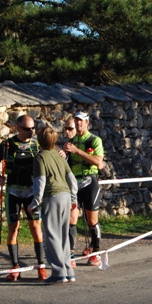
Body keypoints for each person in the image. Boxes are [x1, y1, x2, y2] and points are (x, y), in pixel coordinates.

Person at [0, 115, 47, 281]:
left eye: (32, 129)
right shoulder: (7, 144)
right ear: (18, 128)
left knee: (35, 227)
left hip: (31, 192)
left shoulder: (37, 144)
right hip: (13, 191)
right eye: (27, 129)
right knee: (13, 228)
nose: (31, 132)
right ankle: (15, 267)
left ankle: (41, 267)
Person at [28, 126, 78, 284]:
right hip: (65, 197)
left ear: (39, 140)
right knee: (64, 236)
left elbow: (40, 182)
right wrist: (73, 198)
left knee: (52, 236)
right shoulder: (59, 156)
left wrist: (35, 202)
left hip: (52, 197)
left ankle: (58, 272)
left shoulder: (40, 157)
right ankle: (69, 271)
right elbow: (72, 180)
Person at [62, 110, 104, 266]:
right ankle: (71, 255)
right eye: (76, 120)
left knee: (92, 220)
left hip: (89, 182)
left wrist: (77, 151)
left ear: (87, 123)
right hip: (73, 183)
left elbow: (99, 162)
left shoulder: (94, 140)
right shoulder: (70, 141)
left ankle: (96, 252)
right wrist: (62, 153)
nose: (78, 123)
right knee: (71, 219)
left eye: (81, 120)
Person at [58, 117, 79, 268]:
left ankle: (73, 253)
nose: (66, 131)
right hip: (63, 188)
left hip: (79, 184)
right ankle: (64, 252)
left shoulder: (82, 142)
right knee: (62, 222)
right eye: (65, 128)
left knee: (73, 220)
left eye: (70, 129)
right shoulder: (62, 145)